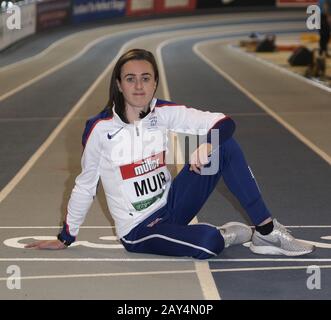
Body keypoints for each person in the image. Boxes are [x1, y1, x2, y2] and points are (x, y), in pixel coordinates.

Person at [26, 49, 314, 258]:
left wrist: (209, 144)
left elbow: (224, 122)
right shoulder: (99, 129)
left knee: (224, 144)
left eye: (145, 78)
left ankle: (266, 233)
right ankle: (224, 234)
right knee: (208, 243)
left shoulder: (163, 112)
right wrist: (66, 237)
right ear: (118, 84)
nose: (138, 86)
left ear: (155, 82)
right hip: (139, 228)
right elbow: (85, 184)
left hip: (173, 204)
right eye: (130, 79)